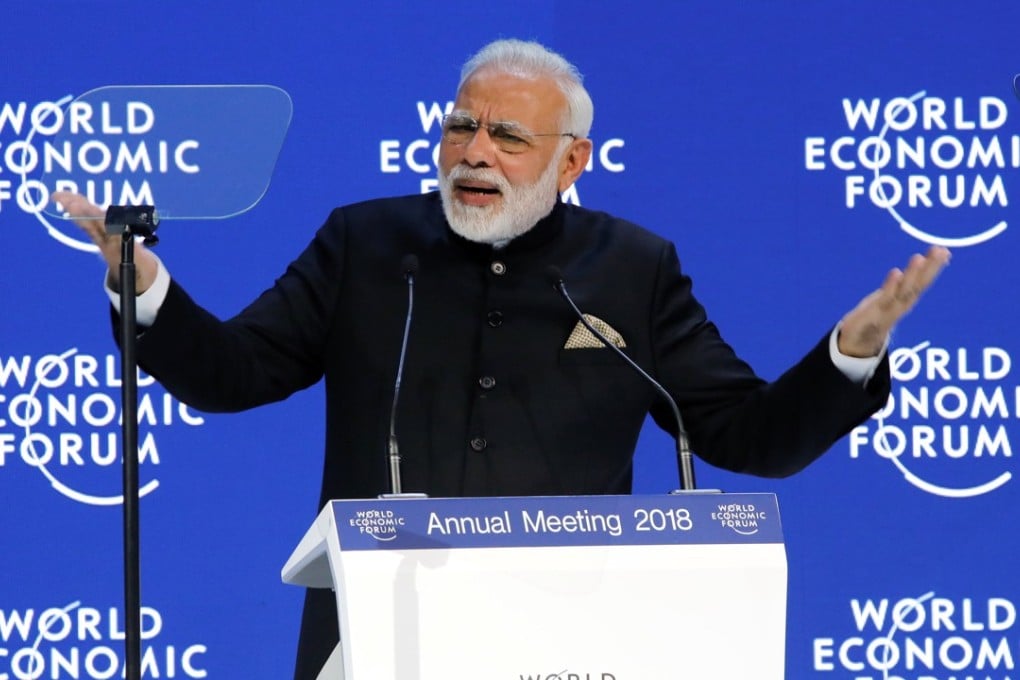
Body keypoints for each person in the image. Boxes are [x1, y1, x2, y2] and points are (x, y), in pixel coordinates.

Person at [55, 39, 949, 680]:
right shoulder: (367, 244)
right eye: (461, 127)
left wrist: (848, 356)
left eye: (508, 138)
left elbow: (745, 437)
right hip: (378, 637)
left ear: (572, 162)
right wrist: (146, 292)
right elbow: (233, 372)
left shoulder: (631, 267)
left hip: (574, 642)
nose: (474, 152)